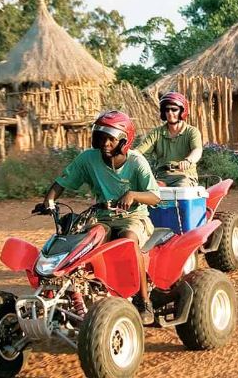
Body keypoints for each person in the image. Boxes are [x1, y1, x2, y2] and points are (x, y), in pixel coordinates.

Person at [40, 110, 161, 322]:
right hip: (102, 217)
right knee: (85, 242)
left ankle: (144, 302)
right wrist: (48, 201)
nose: (105, 143)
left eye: (111, 139)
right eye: (101, 138)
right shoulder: (88, 159)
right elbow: (63, 181)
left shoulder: (136, 161)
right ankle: (76, 294)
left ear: (124, 140)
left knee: (128, 241)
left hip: (134, 217)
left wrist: (132, 195)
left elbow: (155, 197)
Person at [135, 91, 203, 187]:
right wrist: (127, 156)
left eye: (174, 109)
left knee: (181, 190)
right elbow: (139, 151)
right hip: (162, 177)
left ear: (182, 111)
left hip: (185, 176)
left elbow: (197, 150)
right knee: (148, 192)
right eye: (167, 110)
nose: (170, 113)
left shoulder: (192, 131)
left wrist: (188, 160)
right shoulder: (156, 133)